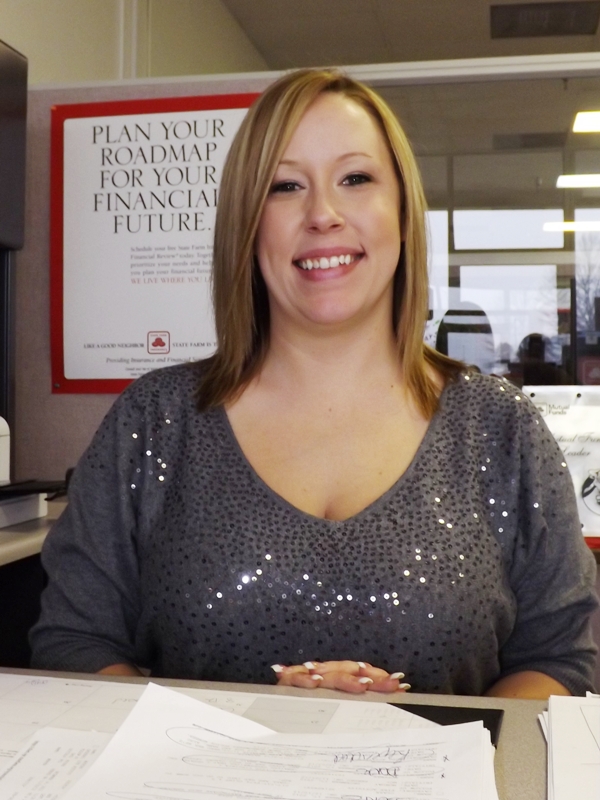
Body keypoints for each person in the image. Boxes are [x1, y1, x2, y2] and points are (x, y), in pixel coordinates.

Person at [30, 69, 598, 698]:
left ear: (402, 214)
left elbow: (559, 658)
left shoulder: (500, 426)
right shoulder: (155, 421)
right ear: (248, 224)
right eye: (285, 186)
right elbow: (75, 643)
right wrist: (238, 731)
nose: (323, 214)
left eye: (355, 179)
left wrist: (440, 743)